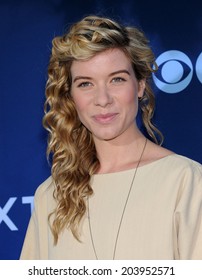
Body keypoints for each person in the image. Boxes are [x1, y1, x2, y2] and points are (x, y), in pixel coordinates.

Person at [20, 15, 202, 260]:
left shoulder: (187, 182)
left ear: (139, 85)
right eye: (86, 84)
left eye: (117, 79)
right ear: (71, 96)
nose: (103, 99)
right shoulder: (51, 196)